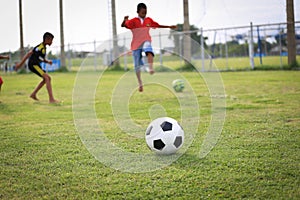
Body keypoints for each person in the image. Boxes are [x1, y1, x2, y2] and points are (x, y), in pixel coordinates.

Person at [121, 3, 177, 92]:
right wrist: (125, 20)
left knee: (148, 48)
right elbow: (124, 25)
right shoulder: (133, 21)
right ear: (138, 12)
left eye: (145, 12)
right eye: (142, 12)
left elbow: (157, 25)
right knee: (137, 65)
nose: (144, 14)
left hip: (146, 40)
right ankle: (140, 83)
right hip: (136, 44)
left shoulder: (148, 20)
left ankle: (151, 68)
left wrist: (169, 26)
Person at [23, 32, 59, 103]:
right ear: (47, 39)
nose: (52, 42)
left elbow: (40, 58)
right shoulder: (40, 47)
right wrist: (20, 64)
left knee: (47, 78)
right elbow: (31, 54)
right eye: (51, 40)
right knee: (47, 78)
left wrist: (47, 62)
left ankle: (33, 94)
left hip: (36, 64)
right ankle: (51, 99)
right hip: (33, 65)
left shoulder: (43, 47)